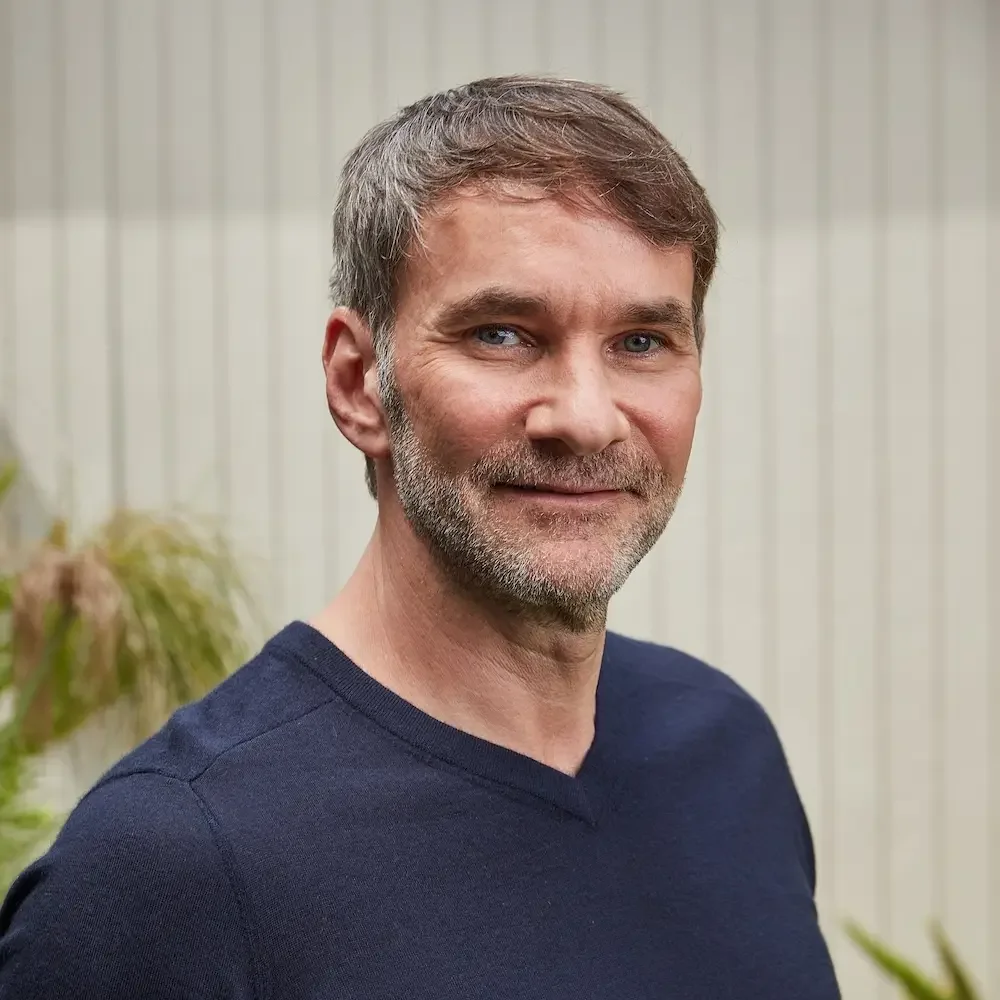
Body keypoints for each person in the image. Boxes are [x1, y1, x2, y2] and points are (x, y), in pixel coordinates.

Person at [0, 75, 840, 999]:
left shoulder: (724, 750)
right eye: (502, 334)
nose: (588, 418)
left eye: (642, 342)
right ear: (360, 382)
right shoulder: (167, 868)